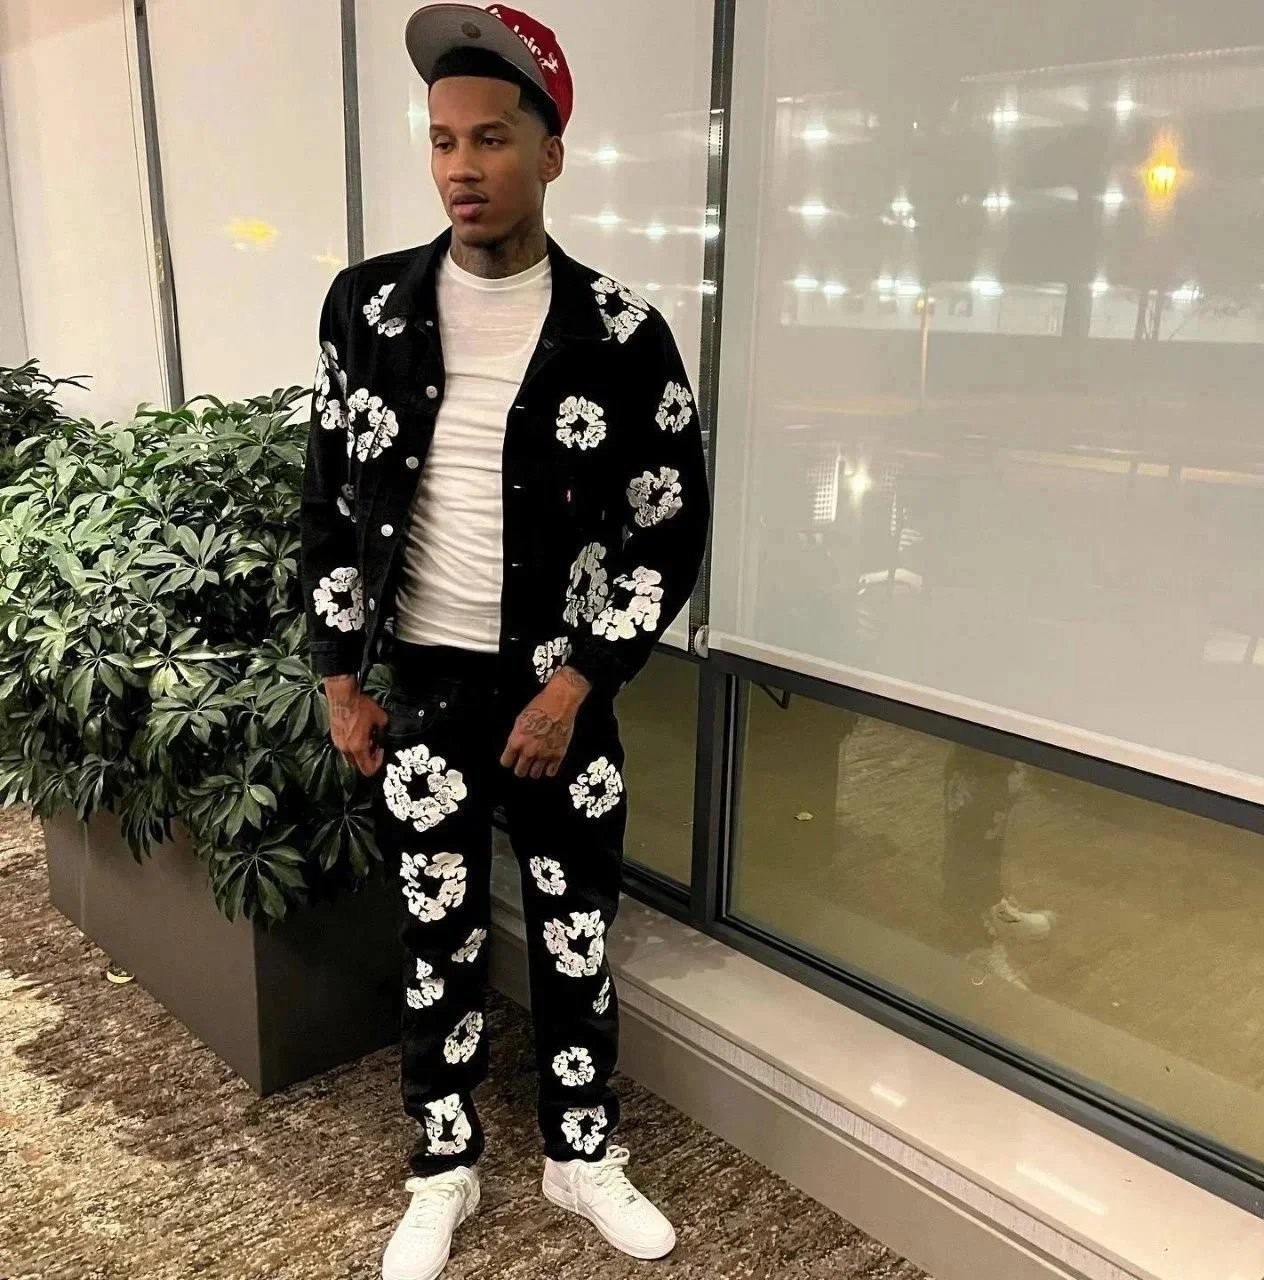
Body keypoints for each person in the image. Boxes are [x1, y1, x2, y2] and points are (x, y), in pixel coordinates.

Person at [298, 5, 711, 1277]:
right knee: (437, 940)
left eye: (489, 138)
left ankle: (580, 1153)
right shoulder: (367, 308)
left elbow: (667, 527)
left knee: (576, 932)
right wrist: (338, 678)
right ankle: (442, 1164)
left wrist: (579, 680)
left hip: (557, 700)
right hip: (420, 691)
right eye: (441, 141)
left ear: (549, 151)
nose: (461, 167)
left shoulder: (621, 333)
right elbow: (327, 501)